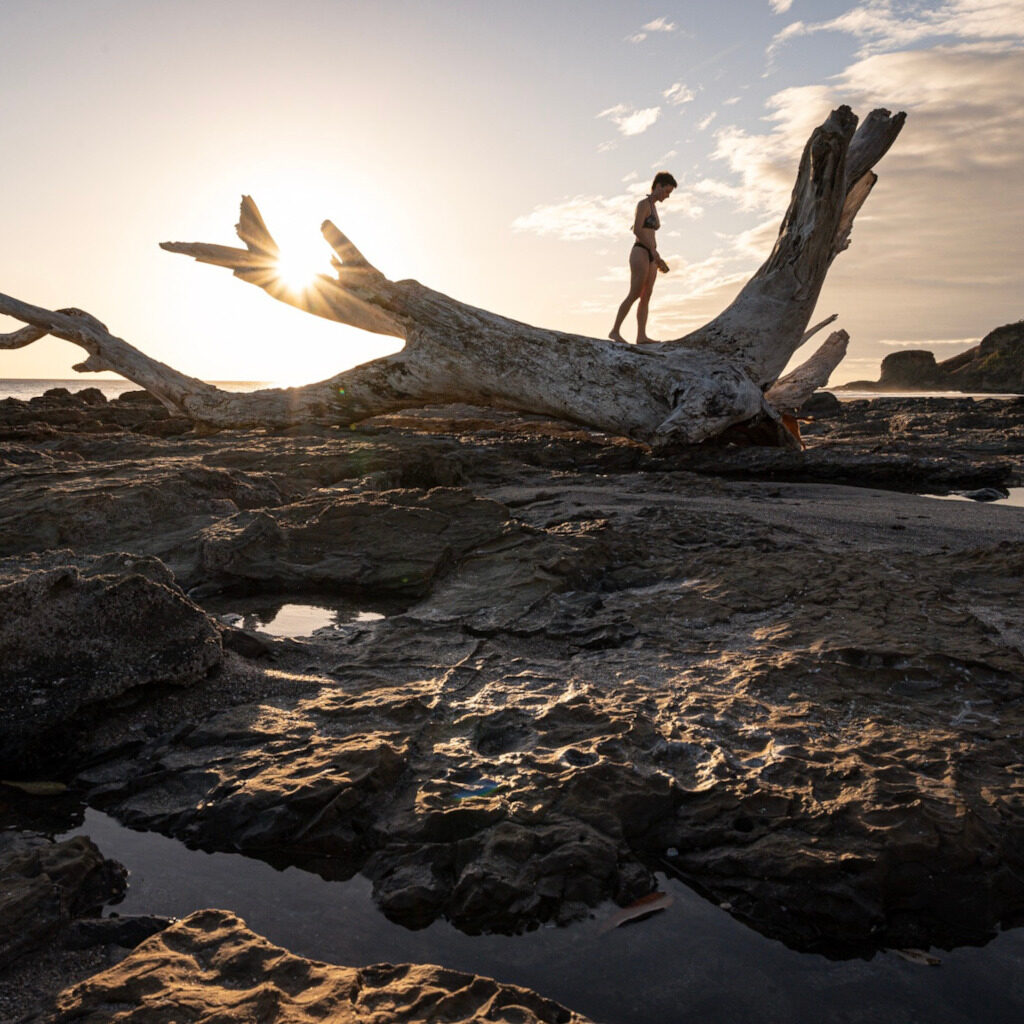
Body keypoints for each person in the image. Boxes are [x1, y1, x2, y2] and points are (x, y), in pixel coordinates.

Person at [609, 171, 677, 344]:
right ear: (658, 186)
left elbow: (651, 235)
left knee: (647, 294)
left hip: (651, 254)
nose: (667, 196)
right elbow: (637, 230)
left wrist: (657, 256)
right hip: (640, 251)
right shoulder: (643, 204)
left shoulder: (654, 207)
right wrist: (652, 251)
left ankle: (641, 336)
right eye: (667, 191)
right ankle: (615, 331)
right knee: (635, 293)